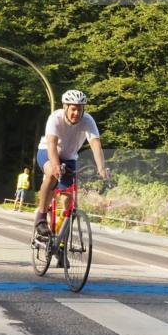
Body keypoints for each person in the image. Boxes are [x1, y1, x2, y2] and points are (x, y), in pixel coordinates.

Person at [34, 89, 110, 240]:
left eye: (79, 109)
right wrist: (56, 165)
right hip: (48, 152)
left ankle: (60, 238)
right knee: (52, 175)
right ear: (65, 107)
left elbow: (95, 144)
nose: (76, 113)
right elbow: (52, 144)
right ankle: (41, 218)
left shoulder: (87, 120)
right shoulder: (55, 118)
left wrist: (101, 169)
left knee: (69, 199)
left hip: (69, 158)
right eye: (73, 109)